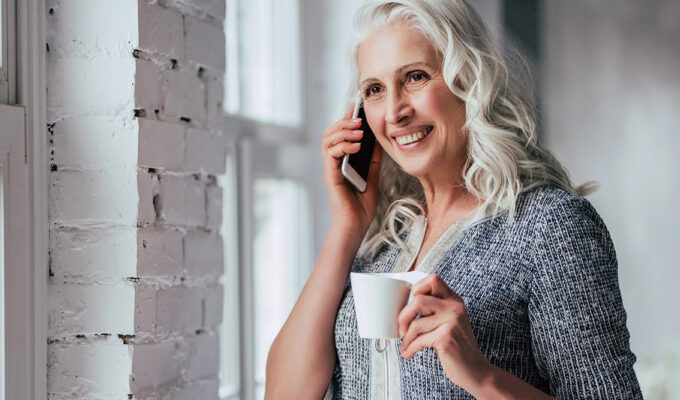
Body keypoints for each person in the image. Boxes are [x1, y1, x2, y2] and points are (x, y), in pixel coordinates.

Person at [265, 0, 642, 398]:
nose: (394, 112)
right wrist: (346, 227)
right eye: (374, 90)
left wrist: (480, 375)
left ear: (468, 79)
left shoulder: (549, 227)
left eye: (415, 77)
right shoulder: (382, 240)